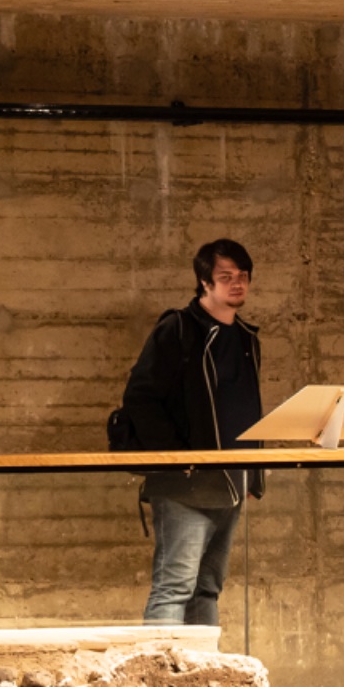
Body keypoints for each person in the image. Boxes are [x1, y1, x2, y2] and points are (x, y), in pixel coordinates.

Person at [120, 237, 265, 627]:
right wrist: (179, 460)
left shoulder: (247, 339)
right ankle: (159, 683)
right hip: (186, 482)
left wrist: (256, 473)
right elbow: (140, 398)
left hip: (232, 481)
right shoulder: (179, 329)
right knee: (174, 587)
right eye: (226, 276)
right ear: (204, 282)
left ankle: (205, 681)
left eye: (243, 276)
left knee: (207, 588)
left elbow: (247, 409)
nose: (237, 283)